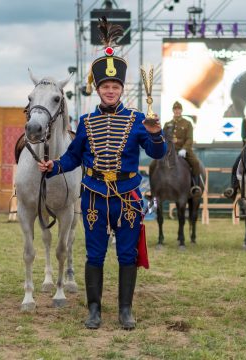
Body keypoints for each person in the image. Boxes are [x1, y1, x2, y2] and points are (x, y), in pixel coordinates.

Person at [38, 18, 166, 330]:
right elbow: (72, 157)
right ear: (98, 89)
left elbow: (158, 153)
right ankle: (94, 309)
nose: (110, 91)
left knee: (126, 255)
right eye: (105, 87)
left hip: (127, 197)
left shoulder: (138, 119)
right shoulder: (85, 121)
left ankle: (125, 310)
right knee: (94, 255)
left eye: (115, 86)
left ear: (122, 89)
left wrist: (157, 133)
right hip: (94, 195)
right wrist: (55, 166)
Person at [163, 101, 202, 195]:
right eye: (175, 109)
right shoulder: (167, 124)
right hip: (169, 151)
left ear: (181, 110)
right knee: (155, 163)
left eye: (179, 109)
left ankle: (195, 186)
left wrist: (184, 149)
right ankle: (154, 189)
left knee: (195, 163)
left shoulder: (187, 123)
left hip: (183, 150)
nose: (177, 111)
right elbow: (163, 138)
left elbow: (189, 139)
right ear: (173, 110)